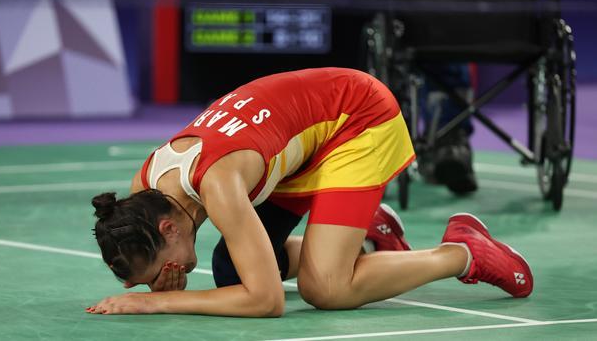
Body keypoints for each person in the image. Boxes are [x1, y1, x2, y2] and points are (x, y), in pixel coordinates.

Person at [86, 67, 532, 317]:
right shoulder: (142, 189)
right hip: (295, 154)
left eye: (160, 269)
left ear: (167, 227)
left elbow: (268, 301)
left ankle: (463, 252)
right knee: (232, 275)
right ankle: (367, 234)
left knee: (327, 289)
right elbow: (244, 284)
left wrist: (162, 301)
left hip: (355, 118)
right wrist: (159, 287)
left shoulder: (218, 185)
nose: (167, 276)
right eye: (153, 281)